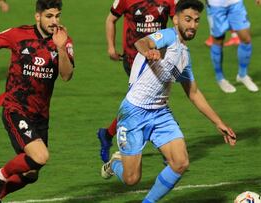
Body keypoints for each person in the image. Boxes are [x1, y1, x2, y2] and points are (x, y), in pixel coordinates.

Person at [100, 0, 236, 202]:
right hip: (134, 112)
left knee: (180, 163)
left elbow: (194, 93)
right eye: (188, 19)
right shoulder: (169, 36)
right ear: (175, 19)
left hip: (160, 113)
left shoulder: (184, 56)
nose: (192, 25)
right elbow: (142, 42)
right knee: (131, 179)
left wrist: (219, 123)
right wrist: (149, 51)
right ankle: (115, 164)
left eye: (197, 21)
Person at [0, 0, 74, 202]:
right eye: (49, 16)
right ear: (38, 16)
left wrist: (61, 48)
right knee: (41, 156)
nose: (54, 21)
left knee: (30, 174)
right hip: (15, 109)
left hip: (41, 115)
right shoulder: (19, 34)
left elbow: (67, 75)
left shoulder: (63, 40)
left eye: (57, 16)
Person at [98, 0, 177, 163]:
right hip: (134, 60)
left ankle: (107, 134)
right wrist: (110, 47)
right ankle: (165, 147)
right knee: (144, 102)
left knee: (145, 102)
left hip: (157, 60)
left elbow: (178, 23)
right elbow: (110, 19)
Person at [207, 0, 261, 93]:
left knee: (246, 39)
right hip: (215, 6)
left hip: (236, 4)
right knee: (218, 41)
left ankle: (242, 75)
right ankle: (220, 79)